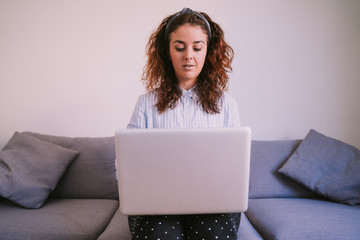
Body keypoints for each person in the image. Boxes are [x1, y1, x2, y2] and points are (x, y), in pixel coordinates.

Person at [126, 7, 241, 240]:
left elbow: (235, 167)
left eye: (197, 48)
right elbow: (126, 165)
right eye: (179, 47)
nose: (188, 55)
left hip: (212, 202)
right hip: (155, 203)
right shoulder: (146, 103)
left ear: (208, 52)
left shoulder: (226, 104)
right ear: (167, 52)